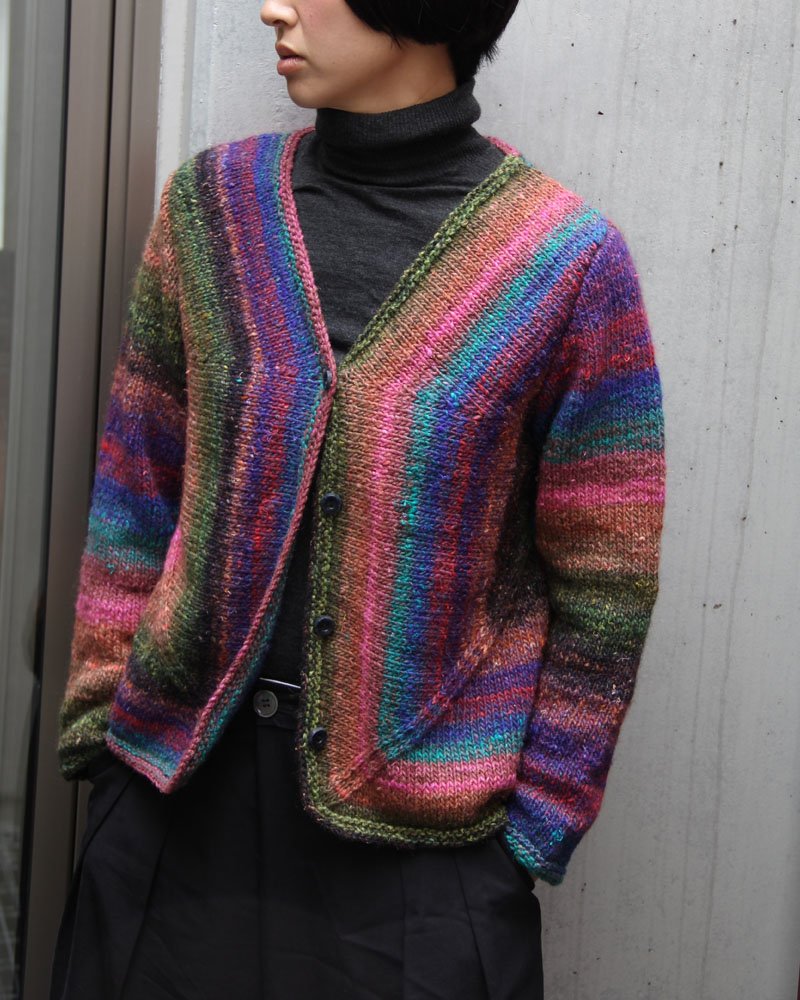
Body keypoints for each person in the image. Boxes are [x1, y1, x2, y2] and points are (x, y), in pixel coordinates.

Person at [48, 0, 667, 997]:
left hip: (420, 862)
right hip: (174, 803)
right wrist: (100, 724)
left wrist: (535, 824)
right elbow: (137, 482)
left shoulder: (565, 263)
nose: (273, 8)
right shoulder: (212, 212)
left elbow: (606, 583)